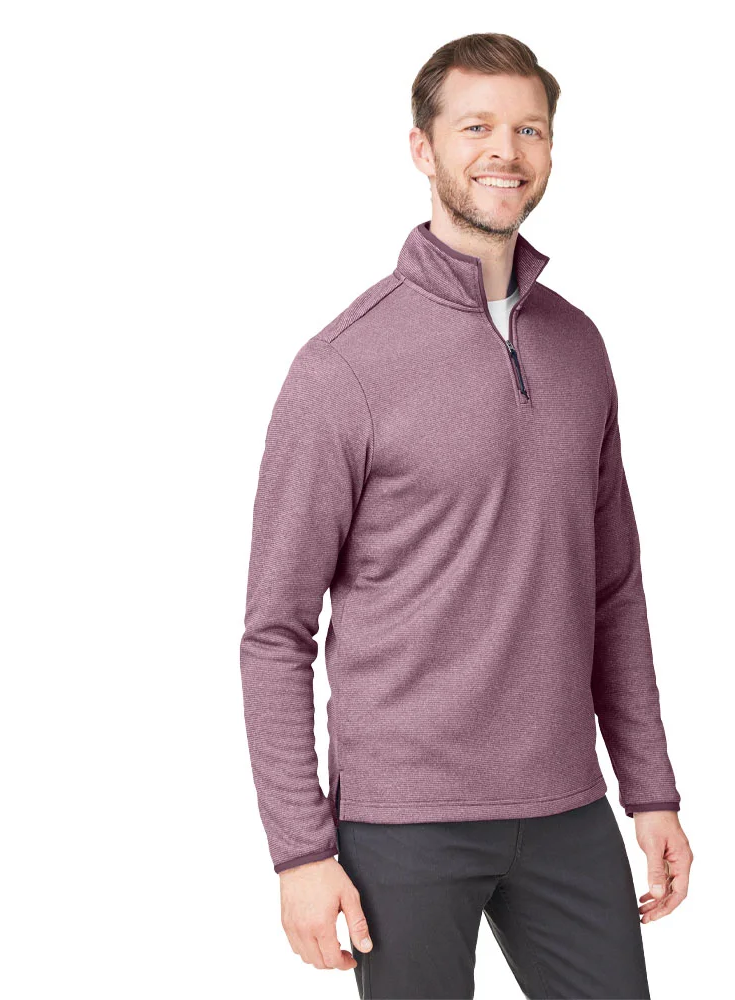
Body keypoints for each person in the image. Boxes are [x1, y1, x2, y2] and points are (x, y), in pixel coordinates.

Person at [239, 31, 693, 1000]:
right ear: (422, 148)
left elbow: (613, 590)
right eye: (476, 126)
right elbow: (275, 629)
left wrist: (649, 788)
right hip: (404, 821)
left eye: (529, 129)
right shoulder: (341, 368)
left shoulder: (579, 347)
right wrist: (299, 850)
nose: (505, 151)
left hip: (567, 804)